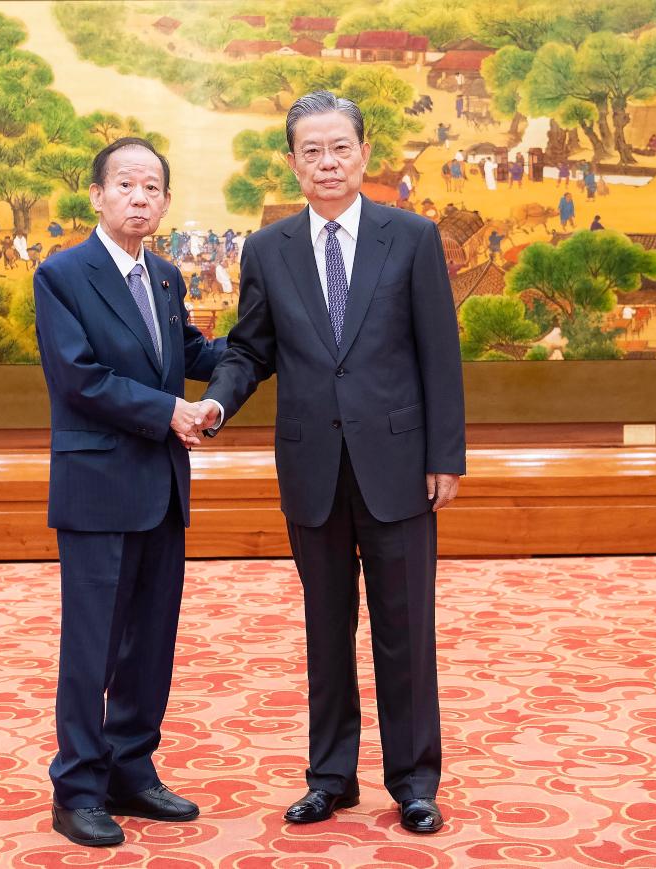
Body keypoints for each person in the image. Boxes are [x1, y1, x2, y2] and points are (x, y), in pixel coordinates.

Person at [200, 91, 465, 835]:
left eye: (338, 148)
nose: (326, 163)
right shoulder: (267, 249)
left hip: (400, 463)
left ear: (363, 154)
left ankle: (413, 780)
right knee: (325, 627)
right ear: (291, 162)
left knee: (404, 626)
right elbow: (251, 348)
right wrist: (219, 403)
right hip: (312, 464)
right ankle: (330, 777)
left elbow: (438, 356)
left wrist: (446, 454)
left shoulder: (410, 237)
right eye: (310, 151)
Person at [33, 136, 226, 848]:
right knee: (93, 646)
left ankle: (130, 770)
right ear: (97, 195)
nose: (139, 198)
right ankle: (78, 787)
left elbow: (191, 352)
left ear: (167, 202)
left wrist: (260, 350)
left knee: (150, 642)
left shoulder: (167, 276)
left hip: (161, 488)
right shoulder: (63, 275)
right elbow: (77, 377)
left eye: (152, 188)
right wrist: (167, 411)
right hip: (97, 487)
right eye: (125, 186)